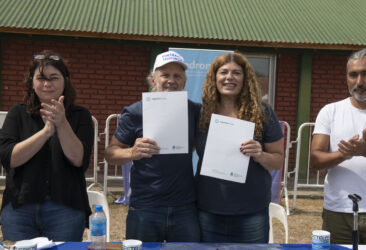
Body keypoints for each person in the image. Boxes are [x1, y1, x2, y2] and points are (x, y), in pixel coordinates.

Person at [104, 51, 201, 242]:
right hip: (145, 206)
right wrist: (132, 152)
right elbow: (110, 153)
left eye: (177, 76)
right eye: (165, 75)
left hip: (184, 206)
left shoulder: (195, 111)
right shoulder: (135, 112)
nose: (171, 80)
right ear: (153, 79)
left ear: (184, 81)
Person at [0, 51, 94, 241]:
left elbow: (78, 160)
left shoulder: (80, 115)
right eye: (41, 78)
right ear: (31, 82)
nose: (47, 84)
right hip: (20, 210)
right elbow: (9, 158)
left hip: (66, 209)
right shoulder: (17, 114)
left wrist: (62, 124)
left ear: (65, 81)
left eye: (54, 78)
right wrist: (45, 133)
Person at [310, 47, 366, 244]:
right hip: (338, 212)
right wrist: (344, 155)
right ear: (347, 78)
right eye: (353, 75)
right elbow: (315, 160)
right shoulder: (330, 111)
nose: (359, 82)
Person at [195, 52, 284, 243]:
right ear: (214, 77)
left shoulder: (263, 112)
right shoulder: (202, 113)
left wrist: (260, 155)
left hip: (251, 212)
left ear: (246, 79)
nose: (229, 77)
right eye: (224, 72)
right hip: (208, 210)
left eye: (236, 73)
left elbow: (278, 160)